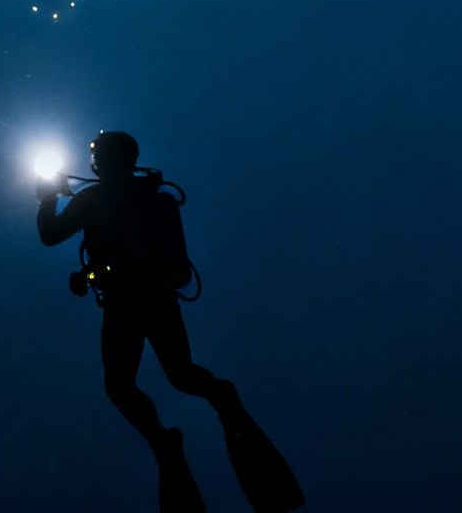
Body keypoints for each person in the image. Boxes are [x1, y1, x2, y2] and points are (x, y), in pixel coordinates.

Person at [37, 131, 302, 513]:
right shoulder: (152, 199)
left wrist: (48, 198)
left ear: (103, 161)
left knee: (122, 385)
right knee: (179, 374)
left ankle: (166, 441)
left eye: (98, 156)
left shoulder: (93, 198)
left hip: (127, 305)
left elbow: (50, 235)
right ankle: (218, 402)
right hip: (155, 301)